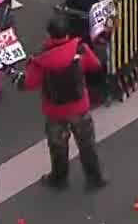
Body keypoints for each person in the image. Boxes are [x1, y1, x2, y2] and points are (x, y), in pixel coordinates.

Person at [21, 16, 106, 191]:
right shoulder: (79, 49)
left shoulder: (40, 57)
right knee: (86, 144)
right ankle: (94, 178)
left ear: (48, 34)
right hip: (79, 107)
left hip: (55, 111)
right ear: (67, 33)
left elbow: (30, 83)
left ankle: (59, 179)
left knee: (58, 146)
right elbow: (95, 65)